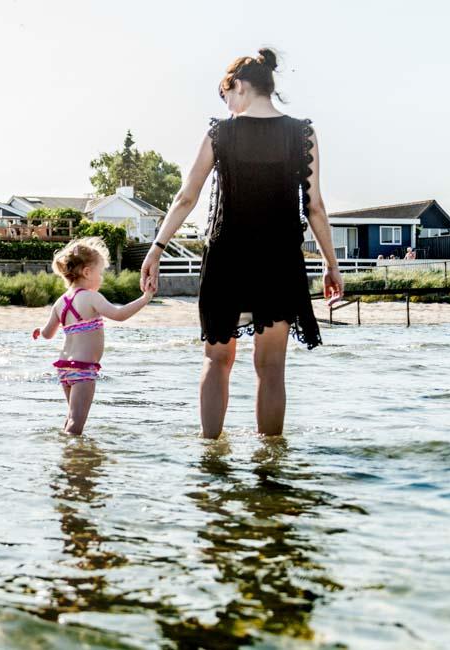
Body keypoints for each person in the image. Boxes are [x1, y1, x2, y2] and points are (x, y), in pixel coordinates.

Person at [139, 47, 343, 439]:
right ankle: (270, 468)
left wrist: (157, 248)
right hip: (279, 260)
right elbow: (315, 206)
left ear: (240, 86)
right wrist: (331, 265)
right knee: (271, 369)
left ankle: (212, 459)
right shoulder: (302, 133)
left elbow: (187, 196)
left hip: (227, 259)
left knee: (216, 361)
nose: (227, 105)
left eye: (226, 95)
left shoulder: (222, 132)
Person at [33, 237, 155, 435]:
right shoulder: (90, 297)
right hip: (83, 369)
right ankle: (74, 459)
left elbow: (47, 334)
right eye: (101, 273)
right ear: (87, 272)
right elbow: (119, 315)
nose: (102, 278)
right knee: (76, 424)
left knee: (72, 417)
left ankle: (67, 456)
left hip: (64, 368)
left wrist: (39, 330)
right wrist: (145, 298)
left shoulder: (60, 302)